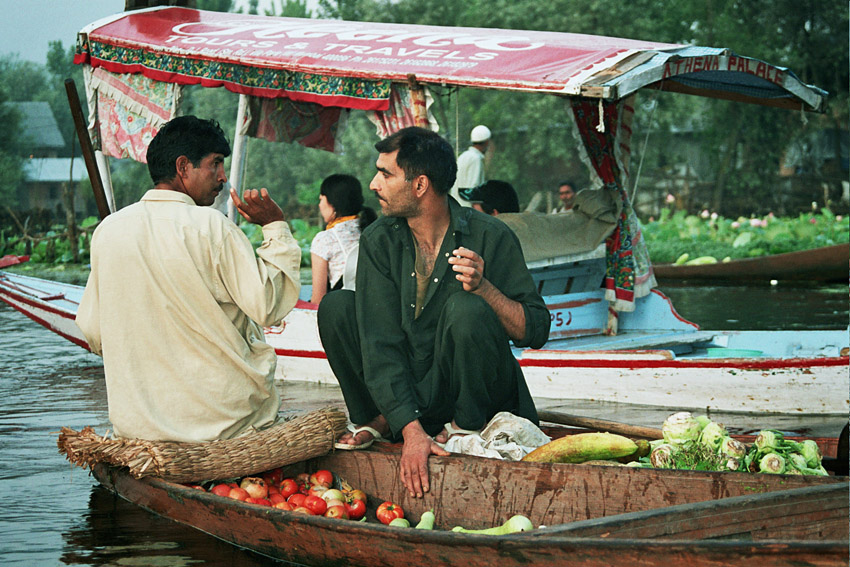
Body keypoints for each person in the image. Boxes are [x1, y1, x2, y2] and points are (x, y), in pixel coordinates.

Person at [317, 127, 549, 498]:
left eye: (386, 174)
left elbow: (535, 331)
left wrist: (485, 288)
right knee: (337, 307)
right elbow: (380, 343)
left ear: (420, 184)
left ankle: (464, 427)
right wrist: (410, 431)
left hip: (471, 398)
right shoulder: (380, 240)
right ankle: (384, 419)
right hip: (412, 393)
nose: (374, 184)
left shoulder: (491, 235)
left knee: (467, 306)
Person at [75, 115, 302, 443]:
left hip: (140, 429)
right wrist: (275, 227)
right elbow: (268, 305)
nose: (223, 177)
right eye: (215, 164)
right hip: (226, 425)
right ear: (183, 167)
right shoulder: (212, 227)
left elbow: (93, 331)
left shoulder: (108, 231)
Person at [309, 174, 377, 304]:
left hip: (343, 314)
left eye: (321, 199)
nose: (319, 205)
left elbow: (318, 301)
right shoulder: (374, 231)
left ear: (332, 203)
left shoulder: (325, 239)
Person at [449, 125, 491, 207]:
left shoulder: (464, 156)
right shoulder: (476, 159)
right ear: (486, 142)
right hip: (467, 210)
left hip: (456, 207)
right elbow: (473, 190)